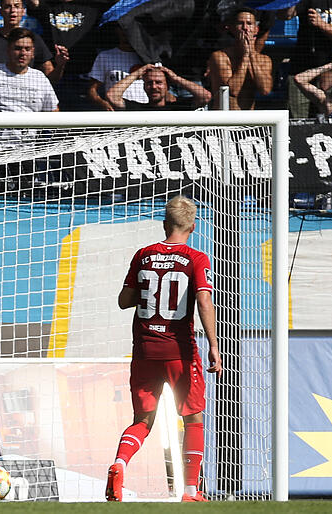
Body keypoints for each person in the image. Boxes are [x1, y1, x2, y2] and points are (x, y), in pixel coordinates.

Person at [106, 195, 222, 503]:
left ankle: (119, 464)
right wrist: (213, 345)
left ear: (163, 224)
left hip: (144, 350)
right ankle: (190, 491)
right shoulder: (196, 259)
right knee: (194, 417)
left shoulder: (143, 255)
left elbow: (123, 300)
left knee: (142, 421)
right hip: (179, 352)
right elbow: (204, 302)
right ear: (193, 227)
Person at [24, 0, 120, 110]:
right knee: (56, 123)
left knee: (85, 123)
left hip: (85, 76)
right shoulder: (46, 5)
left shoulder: (91, 5)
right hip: (55, 76)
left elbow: (123, 6)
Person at [0, 0, 62, 83]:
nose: (12, 11)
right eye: (8, 7)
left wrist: (60, 65)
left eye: (17, 6)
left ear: (23, 11)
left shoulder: (34, 39)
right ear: (1, 11)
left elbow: (51, 77)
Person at [207, 7, 273, 110]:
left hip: (249, 120)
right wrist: (245, 56)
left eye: (249, 24)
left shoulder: (264, 60)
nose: (245, 28)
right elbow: (233, 91)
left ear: (256, 29)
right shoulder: (220, 57)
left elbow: (265, 90)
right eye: (240, 23)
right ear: (232, 28)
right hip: (225, 117)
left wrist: (251, 55)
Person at [87, 24, 147, 111]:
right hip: (118, 110)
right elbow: (92, 90)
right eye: (123, 29)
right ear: (117, 31)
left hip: (145, 111)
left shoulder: (147, 57)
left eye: (130, 29)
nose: (126, 33)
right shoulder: (105, 56)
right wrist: (102, 102)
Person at [106, 64, 211, 111]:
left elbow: (205, 96)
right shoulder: (138, 109)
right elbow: (112, 96)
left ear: (167, 86)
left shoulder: (179, 108)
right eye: (149, 83)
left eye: (159, 82)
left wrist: (176, 78)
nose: (154, 86)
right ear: (144, 87)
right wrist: (136, 74)